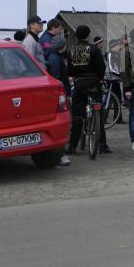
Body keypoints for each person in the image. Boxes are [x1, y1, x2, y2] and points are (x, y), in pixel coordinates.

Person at [67, 25, 112, 154]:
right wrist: (99, 77)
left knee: (77, 116)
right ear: (88, 35)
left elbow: (69, 70)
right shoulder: (93, 49)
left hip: (79, 83)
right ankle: (102, 145)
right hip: (93, 83)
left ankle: (72, 146)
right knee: (98, 109)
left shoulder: (73, 50)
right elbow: (101, 68)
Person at [45, 35, 71, 166]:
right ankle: (61, 154)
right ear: (62, 46)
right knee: (62, 124)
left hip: (61, 92)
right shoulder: (55, 59)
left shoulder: (53, 57)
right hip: (60, 95)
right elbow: (57, 78)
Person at [105, 39, 125, 123]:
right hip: (112, 79)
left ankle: (117, 118)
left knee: (118, 98)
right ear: (112, 47)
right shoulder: (110, 54)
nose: (118, 47)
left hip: (116, 79)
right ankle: (104, 117)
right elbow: (112, 67)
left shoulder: (117, 54)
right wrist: (119, 74)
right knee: (110, 98)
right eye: (117, 45)